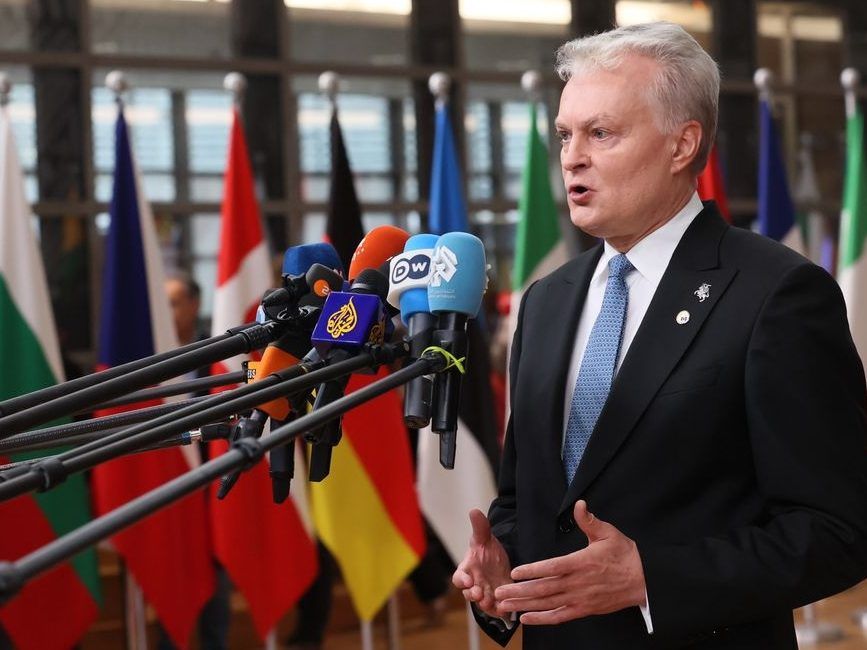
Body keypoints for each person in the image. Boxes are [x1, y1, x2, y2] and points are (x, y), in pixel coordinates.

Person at [453, 21, 867, 649]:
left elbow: (840, 531)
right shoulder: (546, 300)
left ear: (682, 146)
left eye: (601, 133)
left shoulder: (775, 293)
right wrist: (506, 567)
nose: (572, 156)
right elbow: (527, 499)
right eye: (566, 134)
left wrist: (653, 579)